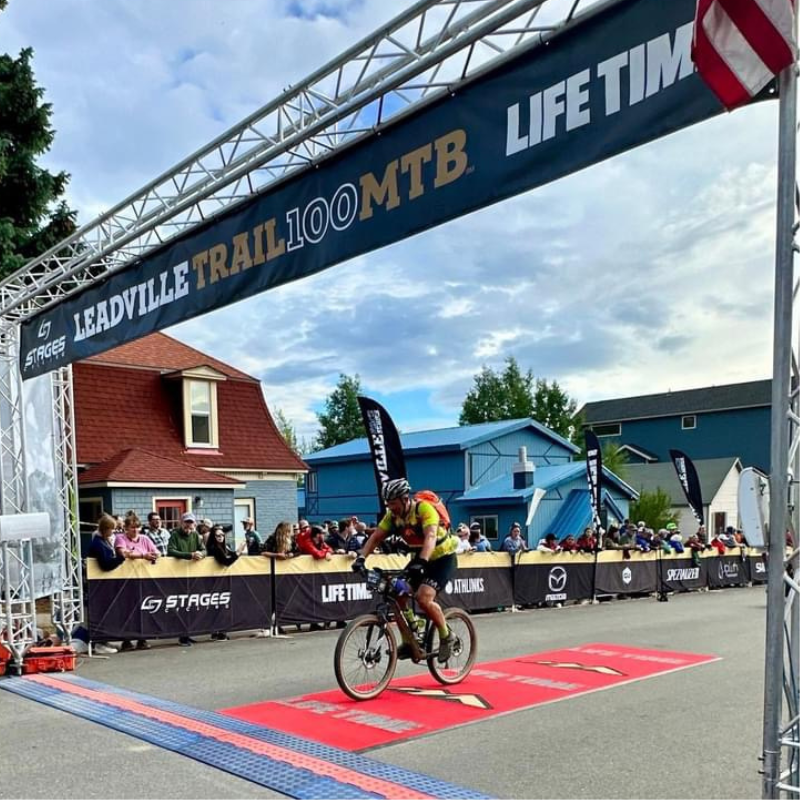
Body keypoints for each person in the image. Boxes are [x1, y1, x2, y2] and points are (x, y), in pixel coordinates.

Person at [353, 478, 458, 663]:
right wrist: (361, 558)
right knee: (397, 592)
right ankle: (410, 638)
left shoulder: (424, 509)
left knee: (423, 597)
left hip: (442, 558)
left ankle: (446, 635)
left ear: (404, 498)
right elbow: (376, 537)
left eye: (393, 503)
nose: (390, 507)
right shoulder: (393, 516)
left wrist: (422, 563)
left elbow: (431, 536)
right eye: (388, 504)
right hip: (420, 558)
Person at [114, 513, 158, 652]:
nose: (135, 531)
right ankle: (126, 640)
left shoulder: (145, 539)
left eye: (137, 528)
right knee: (127, 609)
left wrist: (154, 555)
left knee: (142, 608)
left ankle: (141, 639)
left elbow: (156, 551)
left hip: (143, 578)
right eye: (132, 528)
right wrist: (142, 555)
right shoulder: (120, 538)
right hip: (125, 580)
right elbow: (123, 553)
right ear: (126, 528)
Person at [87, 514, 125, 655]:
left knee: (106, 612)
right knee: (100, 612)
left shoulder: (103, 541)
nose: (113, 532)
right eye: (112, 529)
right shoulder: (98, 543)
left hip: (105, 582)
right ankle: (98, 643)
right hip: (99, 582)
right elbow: (106, 565)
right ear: (106, 529)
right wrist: (121, 558)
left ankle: (103, 639)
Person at [167, 512, 206, 647]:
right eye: (186, 523)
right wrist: (189, 555)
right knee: (181, 606)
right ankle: (182, 636)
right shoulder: (175, 535)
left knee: (191, 605)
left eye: (191, 523)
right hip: (178, 574)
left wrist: (201, 554)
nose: (188, 526)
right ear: (182, 523)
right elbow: (170, 551)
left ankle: (188, 633)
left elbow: (203, 549)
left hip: (193, 574)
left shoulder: (196, 535)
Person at [204, 525, 246, 641]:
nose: (221, 537)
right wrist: (238, 553)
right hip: (213, 579)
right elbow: (226, 562)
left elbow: (231, 555)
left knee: (222, 605)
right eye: (218, 535)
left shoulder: (223, 546)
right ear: (213, 536)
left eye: (222, 535)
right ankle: (218, 631)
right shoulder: (214, 548)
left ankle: (219, 631)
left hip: (223, 578)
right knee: (218, 606)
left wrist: (238, 551)